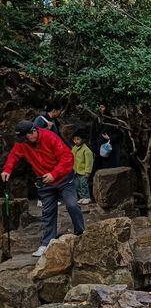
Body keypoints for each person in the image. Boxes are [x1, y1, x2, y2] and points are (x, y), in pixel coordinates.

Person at [1, 120, 85, 257]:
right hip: (45, 181)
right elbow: (14, 154)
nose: (24, 141)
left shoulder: (50, 137)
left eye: (25, 137)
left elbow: (67, 157)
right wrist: (7, 170)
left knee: (72, 204)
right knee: (48, 212)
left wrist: (54, 174)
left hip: (64, 177)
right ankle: (46, 243)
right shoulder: (23, 143)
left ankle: (81, 233)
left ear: (33, 132)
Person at [91, 104, 123, 170]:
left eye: (102, 107)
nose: (100, 109)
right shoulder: (97, 120)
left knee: (110, 170)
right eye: (99, 107)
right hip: (99, 150)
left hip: (111, 150)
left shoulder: (112, 120)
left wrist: (110, 138)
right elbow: (93, 135)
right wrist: (94, 148)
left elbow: (119, 134)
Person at [72, 130, 94, 205]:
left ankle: (87, 197)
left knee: (83, 184)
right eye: (74, 139)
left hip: (83, 171)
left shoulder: (86, 150)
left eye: (78, 139)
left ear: (82, 140)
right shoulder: (74, 148)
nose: (76, 141)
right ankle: (82, 197)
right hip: (76, 170)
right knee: (77, 184)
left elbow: (89, 162)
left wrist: (88, 171)